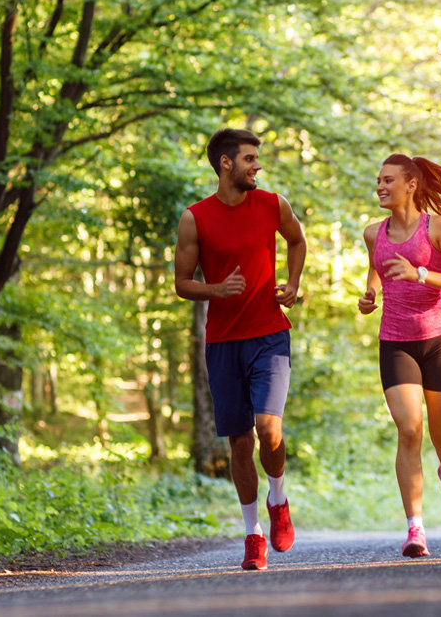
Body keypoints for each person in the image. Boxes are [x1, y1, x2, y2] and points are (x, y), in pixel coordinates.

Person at [174, 128, 306, 571]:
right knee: (238, 442)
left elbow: (297, 240)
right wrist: (216, 289)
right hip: (223, 343)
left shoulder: (272, 204)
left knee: (269, 429)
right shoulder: (196, 218)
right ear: (225, 163)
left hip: (270, 334)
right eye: (250, 158)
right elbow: (182, 283)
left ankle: (279, 499)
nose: (258, 166)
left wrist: (293, 282)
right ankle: (253, 534)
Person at [357, 153, 441, 558]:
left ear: (410, 185)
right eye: (378, 179)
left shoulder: (438, 228)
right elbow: (378, 266)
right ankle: (416, 529)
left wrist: (421, 273)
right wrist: (372, 292)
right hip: (395, 341)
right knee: (410, 428)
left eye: (388, 179)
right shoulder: (372, 233)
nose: (380, 186)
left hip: (438, 340)